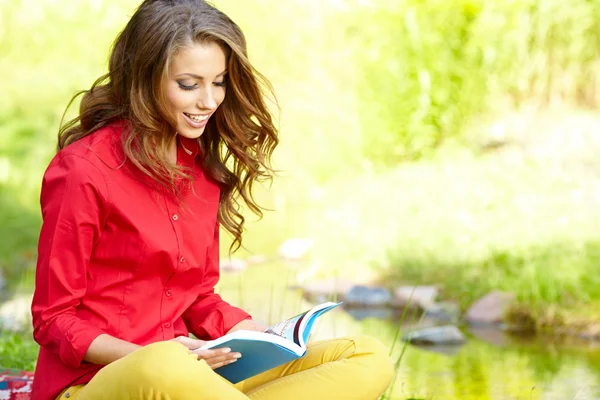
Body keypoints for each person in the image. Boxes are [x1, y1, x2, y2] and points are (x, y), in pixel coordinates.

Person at [30, 1, 394, 399]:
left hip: (193, 377)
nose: (209, 101)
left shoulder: (201, 171)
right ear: (144, 78)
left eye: (218, 82)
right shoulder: (84, 170)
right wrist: (152, 354)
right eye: (189, 84)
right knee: (162, 364)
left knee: (365, 354)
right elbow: (53, 319)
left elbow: (198, 298)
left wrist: (246, 331)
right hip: (104, 383)